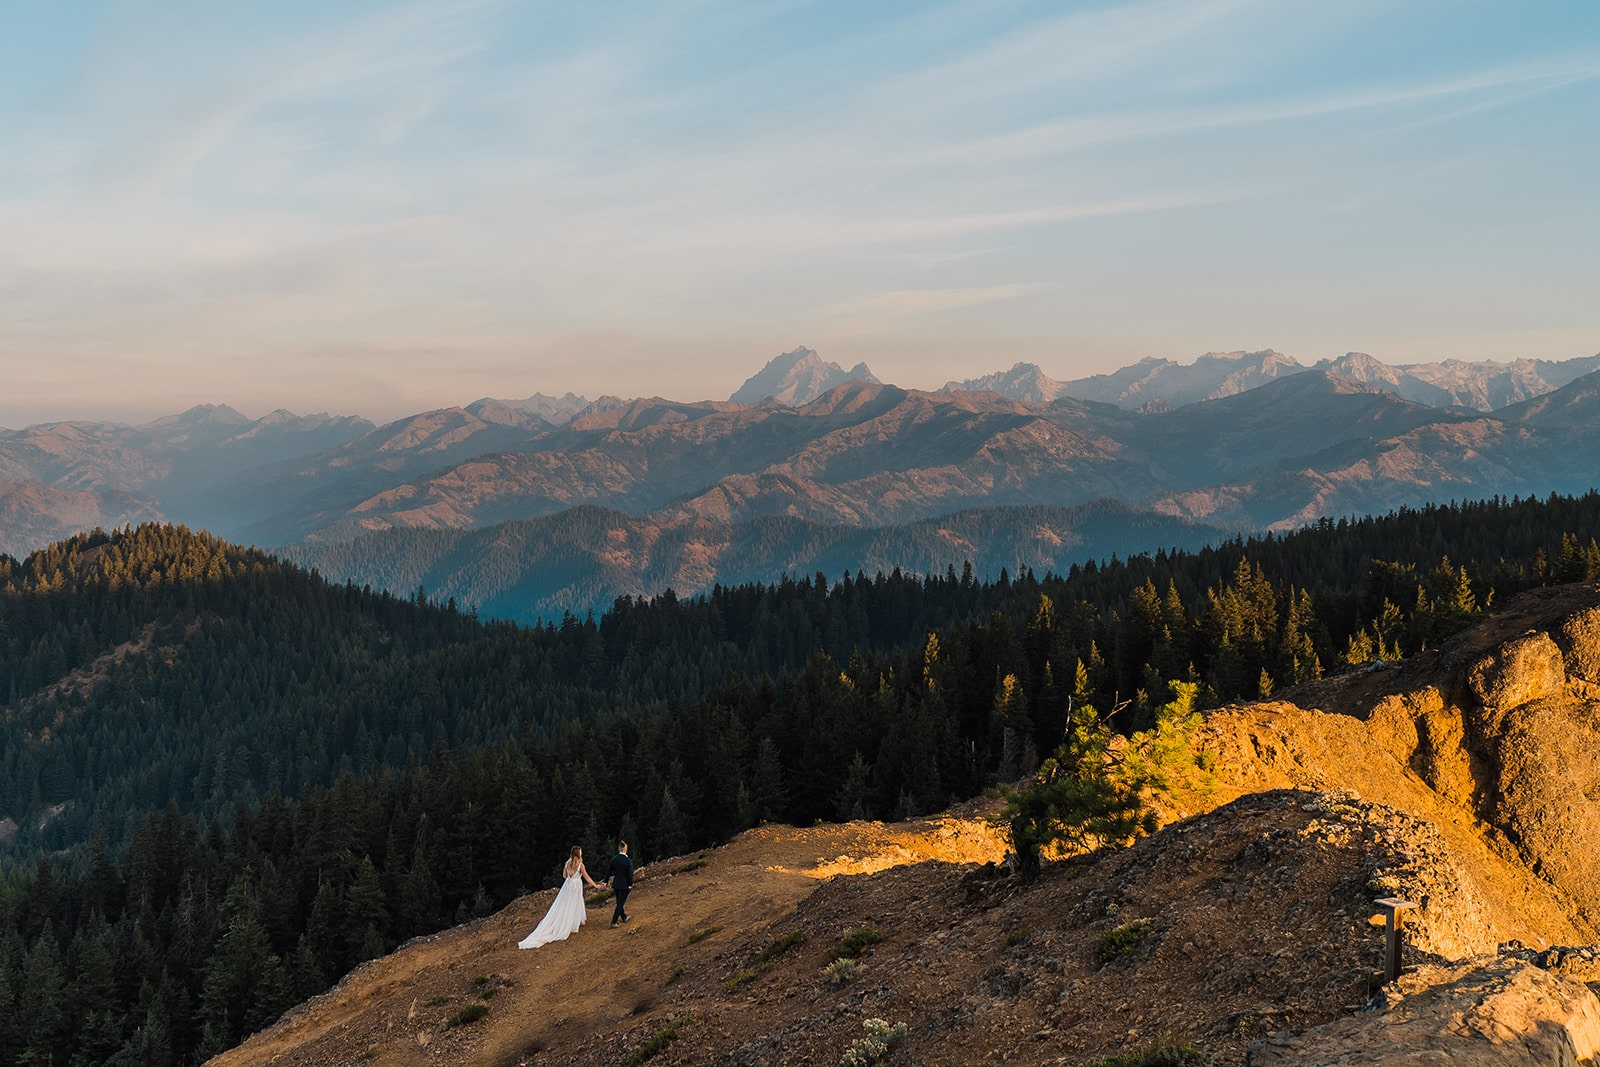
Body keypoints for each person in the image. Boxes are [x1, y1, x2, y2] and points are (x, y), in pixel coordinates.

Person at [518, 846, 603, 949]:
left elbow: (564, 876)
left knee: (564, 904)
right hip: (575, 886)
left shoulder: (567, 863)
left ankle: (564, 921)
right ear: (578, 854)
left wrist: (571, 878)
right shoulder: (580, 865)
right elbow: (587, 877)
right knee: (573, 904)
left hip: (567, 885)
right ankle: (569, 923)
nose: (581, 853)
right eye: (580, 852)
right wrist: (595, 885)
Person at [606, 840, 634, 927]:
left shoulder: (613, 859)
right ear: (626, 848)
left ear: (619, 848)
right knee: (620, 903)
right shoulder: (628, 861)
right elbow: (630, 874)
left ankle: (624, 917)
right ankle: (614, 921)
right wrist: (630, 884)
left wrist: (605, 881)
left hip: (616, 884)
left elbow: (609, 872)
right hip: (624, 885)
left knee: (619, 901)